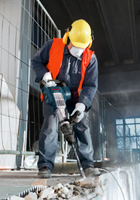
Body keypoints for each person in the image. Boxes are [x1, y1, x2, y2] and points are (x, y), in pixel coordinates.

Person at [31, 19, 99, 178]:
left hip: (76, 96)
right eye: (75, 45)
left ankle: (87, 165)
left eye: (81, 47)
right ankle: (45, 167)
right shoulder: (53, 45)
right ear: (67, 38)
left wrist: (81, 107)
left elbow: (90, 85)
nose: (78, 50)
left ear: (88, 44)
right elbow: (36, 61)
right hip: (53, 90)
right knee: (50, 126)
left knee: (82, 125)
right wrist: (44, 75)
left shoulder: (91, 58)